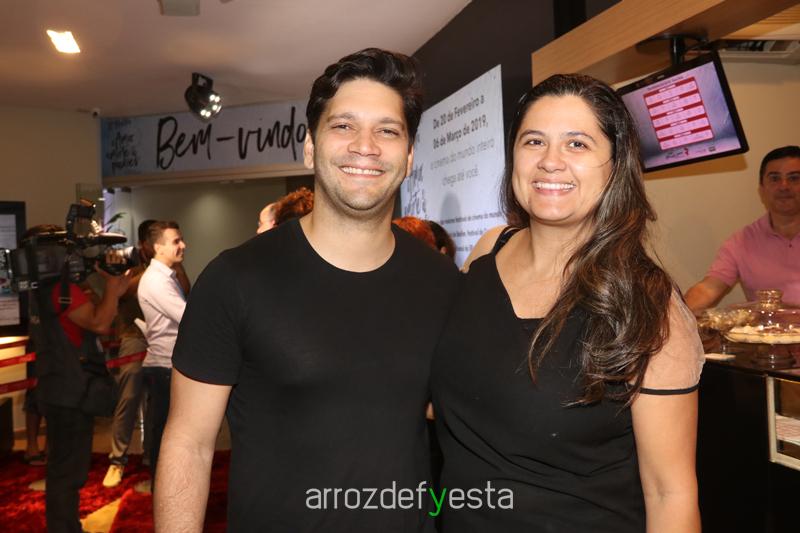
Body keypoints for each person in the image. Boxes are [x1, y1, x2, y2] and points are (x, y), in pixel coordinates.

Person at [155, 48, 458, 532]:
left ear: (408, 157)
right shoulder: (235, 279)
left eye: (387, 130)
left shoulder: (442, 282)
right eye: (344, 126)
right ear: (310, 149)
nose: (365, 146)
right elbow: (189, 443)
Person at [431, 75, 703, 532]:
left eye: (577, 144)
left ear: (616, 165)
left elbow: (669, 493)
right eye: (534, 141)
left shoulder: (650, 306)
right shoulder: (488, 250)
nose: (550, 161)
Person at [24, 224, 131, 533]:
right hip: (71, 393)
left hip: (54, 387)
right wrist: (111, 288)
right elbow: (99, 323)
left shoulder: (39, 290)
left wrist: (113, 289)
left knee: (62, 468)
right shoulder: (62, 290)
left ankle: (65, 525)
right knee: (68, 473)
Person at [684, 145, 800, 312]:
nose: (784, 186)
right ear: (762, 189)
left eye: (794, 178)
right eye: (774, 178)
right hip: (767, 329)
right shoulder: (741, 242)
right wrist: (671, 318)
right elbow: (708, 289)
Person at [137, 221, 187, 483]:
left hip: (168, 366)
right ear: (158, 247)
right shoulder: (156, 281)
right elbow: (187, 317)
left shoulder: (166, 276)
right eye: (176, 241)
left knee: (169, 433)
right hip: (164, 368)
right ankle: (163, 489)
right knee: (164, 436)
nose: (183, 245)